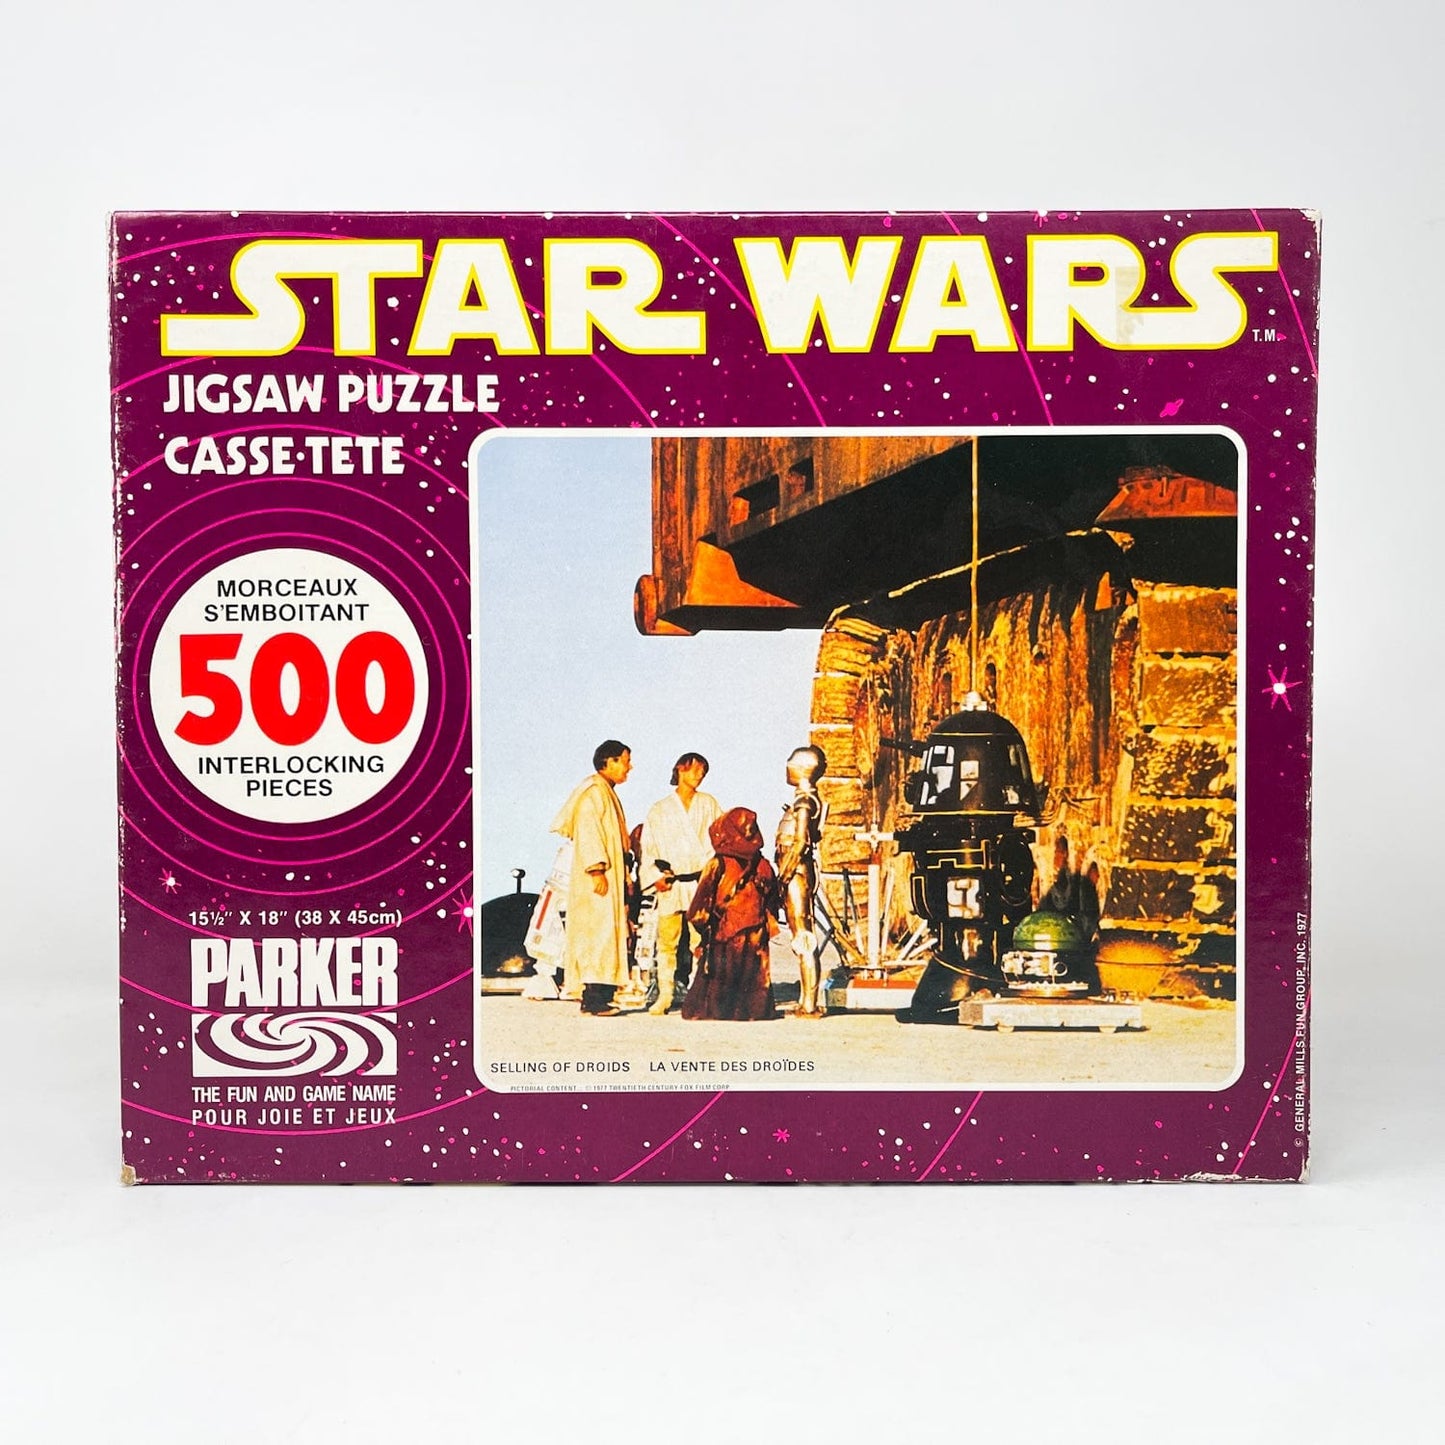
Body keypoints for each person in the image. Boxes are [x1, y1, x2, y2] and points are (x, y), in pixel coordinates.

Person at [549, 740, 633, 1016]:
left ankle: (600, 997)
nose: (629, 767)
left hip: (609, 875)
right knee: (599, 934)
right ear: (610, 761)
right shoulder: (593, 793)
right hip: (598, 877)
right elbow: (588, 831)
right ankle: (595, 999)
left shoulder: (605, 792)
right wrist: (596, 870)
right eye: (625, 761)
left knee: (605, 933)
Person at [639, 752, 721, 1015]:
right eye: (694, 769)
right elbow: (648, 848)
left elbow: (720, 838)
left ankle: (700, 994)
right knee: (667, 943)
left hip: (699, 882)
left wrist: (713, 876)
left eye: (703, 771)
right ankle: (664, 995)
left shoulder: (708, 804)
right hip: (672, 882)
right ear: (680, 770)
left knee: (701, 941)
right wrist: (656, 877)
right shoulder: (660, 809)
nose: (699, 775)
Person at [682, 808, 778, 1021]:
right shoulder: (763, 865)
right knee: (753, 976)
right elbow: (772, 899)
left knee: (719, 979)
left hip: (725, 931)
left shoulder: (718, 863)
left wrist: (703, 929)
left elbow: (700, 904)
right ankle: (753, 1012)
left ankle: (720, 1011)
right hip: (756, 931)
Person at [774, 745, 827, 1016]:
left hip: (795, 871)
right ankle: (806, 999)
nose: (787, 767)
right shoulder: (804, 800)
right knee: (801, 934)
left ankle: (809, 1003)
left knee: (803, 935)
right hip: (794, 871)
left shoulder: (805, 802)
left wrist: (782, 876)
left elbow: (799, 844)